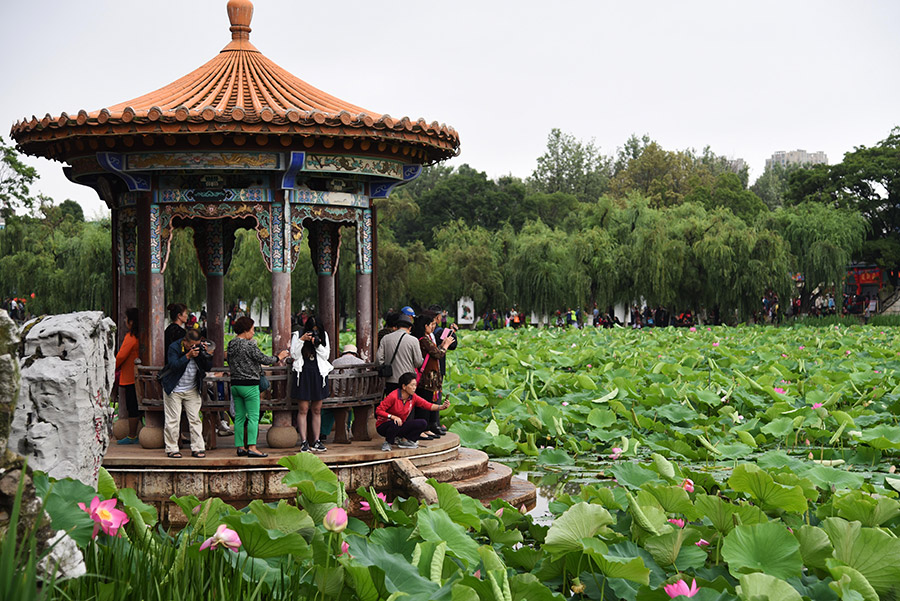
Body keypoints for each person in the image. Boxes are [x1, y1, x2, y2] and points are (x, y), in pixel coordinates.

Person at [227, 316, 289, 458]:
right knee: (253, 417)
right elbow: (264, 359)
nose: (253, 333)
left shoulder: (231, 344)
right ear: (245, 330)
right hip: (250, 386)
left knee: (239, 418)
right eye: (252, 330)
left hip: (235, 385)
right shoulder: (249, 345)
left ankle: (240, 447)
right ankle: (252, 448)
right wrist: (278, 357)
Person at [160, 329, 211, 459]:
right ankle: (172, 448)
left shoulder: (199, 349)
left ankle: (198, 448)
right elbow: (173, 365)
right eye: (191, 344)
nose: (194, 347)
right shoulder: (174, 347)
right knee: (173, 420)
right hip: (174, 389)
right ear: (185, 341)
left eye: (196, 344)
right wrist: (188, 356)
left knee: (195, 419)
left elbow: (208, 367)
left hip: (192, 389)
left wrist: (206, 354)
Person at [375, 372, 450, 451]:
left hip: (400, 424)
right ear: (404, 386)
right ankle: (388, 443)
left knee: (422, 423)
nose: (414, 388)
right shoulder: (393, 396)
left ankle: (405, 441)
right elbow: (378, 410)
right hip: (384, 426)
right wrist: (392, 417)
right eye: (412, 385)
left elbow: (427, 405)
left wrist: (441, 407)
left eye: (415, 385)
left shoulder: (413, 397)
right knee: (395, 422)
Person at [290, 315, 333, 453]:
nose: (314, 333)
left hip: (318, 374)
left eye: (316, 330)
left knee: (317, 409)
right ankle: (304, 441)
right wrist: (302, 340)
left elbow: (326, 355)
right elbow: (294, 355)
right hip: (303, 374)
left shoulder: (324, 336)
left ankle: (316, 440)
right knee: (303, 409)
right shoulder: (298, 335)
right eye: (312, 330)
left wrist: (318, 344)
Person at [375, 313, 422, 396]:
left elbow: (379, 359)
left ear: (396, 327)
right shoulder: (414, 340)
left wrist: (386, 367)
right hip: (407, 381)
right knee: (405, 403)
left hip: (390, 380)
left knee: (392, 402)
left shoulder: (386, 338)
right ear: (410, 327)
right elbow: (418, 362)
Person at [115, 307, 141, 444]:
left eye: (126, 318)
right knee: (136, 406)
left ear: (131, 321)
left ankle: (131, 436)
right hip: (139, 376)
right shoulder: (141, 335)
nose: (125, 321)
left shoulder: (130, 337)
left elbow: (121, 356)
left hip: (130, 376)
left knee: (132, 407)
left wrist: (112, 367)